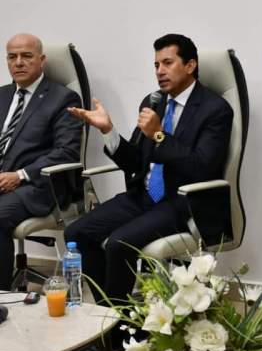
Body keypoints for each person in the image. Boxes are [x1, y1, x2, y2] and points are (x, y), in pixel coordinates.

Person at [65, 33, 233, 303]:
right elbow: (134, 162)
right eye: (156, 65)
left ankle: (116, 321)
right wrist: (108, 130)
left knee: (119, 243)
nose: (160, 71)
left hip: (181, 202)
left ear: (190, 65)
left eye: (168, 63)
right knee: (76, 232)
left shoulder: (215, 109)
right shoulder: (153, 101)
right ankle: (108, 312)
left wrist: (158, 135)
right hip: (143, 196)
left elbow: (201, 167)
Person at [0, 33, 82, 289]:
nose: (18, 62)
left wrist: (20, 175)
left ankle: (2, 296)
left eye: (26, 56)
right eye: (12, 57)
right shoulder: (2, 95)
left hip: (35, 186)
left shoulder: (63, 98)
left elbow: (66, 152)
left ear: (42, 60)